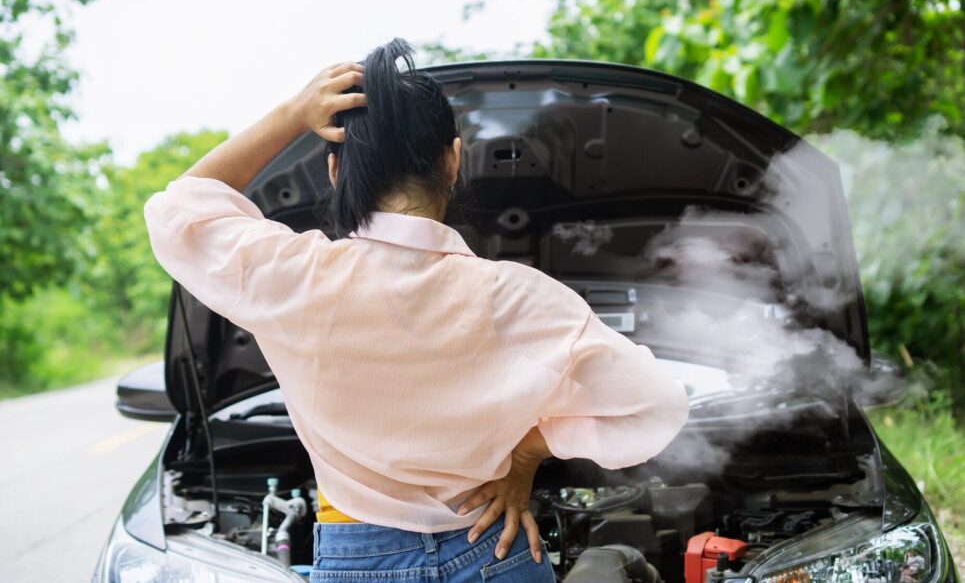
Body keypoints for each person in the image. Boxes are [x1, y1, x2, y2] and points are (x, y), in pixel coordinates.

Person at [144, 38, 689, 582]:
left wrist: (293, 114)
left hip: (355, 561)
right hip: (495, 552)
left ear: (336, 172)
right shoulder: (520, 297)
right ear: (453, 160)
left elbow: (176, 210)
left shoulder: (293, 276)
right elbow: (657, 407)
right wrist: (526, 455)